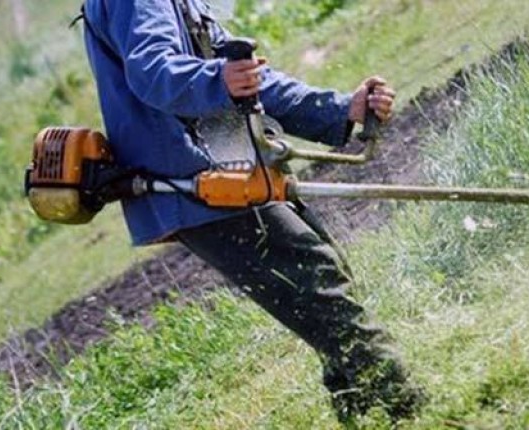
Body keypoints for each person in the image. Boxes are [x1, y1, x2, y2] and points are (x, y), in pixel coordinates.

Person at [79, 0, 424, 423]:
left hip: (230, 166)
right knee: (319, 288)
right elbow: (153, 72)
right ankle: (406, 407)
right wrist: (218, 79)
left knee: (321, 281)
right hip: (194, 182)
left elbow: (249, 83)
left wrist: (339, 109)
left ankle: (368, 410)